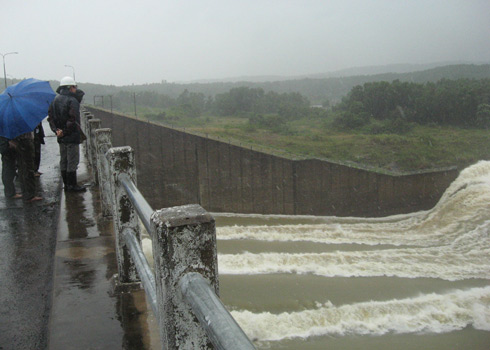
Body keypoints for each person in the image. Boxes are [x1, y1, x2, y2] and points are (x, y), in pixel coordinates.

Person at [47, 76, 86, 192]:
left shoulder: (54, 100)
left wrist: (57, 131)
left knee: (64, 160)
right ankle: (72, 185)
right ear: (70, 87)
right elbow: (73, 119)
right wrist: (65, 131)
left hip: (61, 136)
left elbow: (51, 118)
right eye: (74, 87)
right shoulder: (72, 101)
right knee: (72, 161)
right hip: (70, 136)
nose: (76, 89)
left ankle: (66, 185)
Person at [12, 132, 42, 202]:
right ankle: (30, 195)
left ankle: (26, 193)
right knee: (28, 169)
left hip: (19, 144)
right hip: (25, 144)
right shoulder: (24, 129)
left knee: (22, 169)